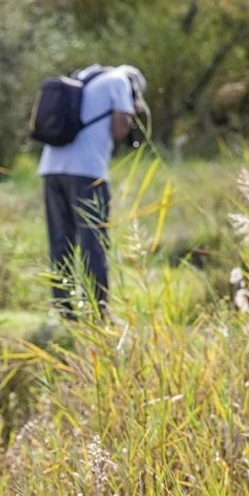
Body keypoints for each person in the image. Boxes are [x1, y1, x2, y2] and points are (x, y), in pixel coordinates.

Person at [37, 64, 147, 319]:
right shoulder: (120, 81)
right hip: (86, 171)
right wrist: (132, 114)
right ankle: (99, 311)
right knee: (93, 241)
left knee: (60, 240)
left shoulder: (84, 76)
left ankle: (64, 310)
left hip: (51, 168)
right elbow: (121, 129)